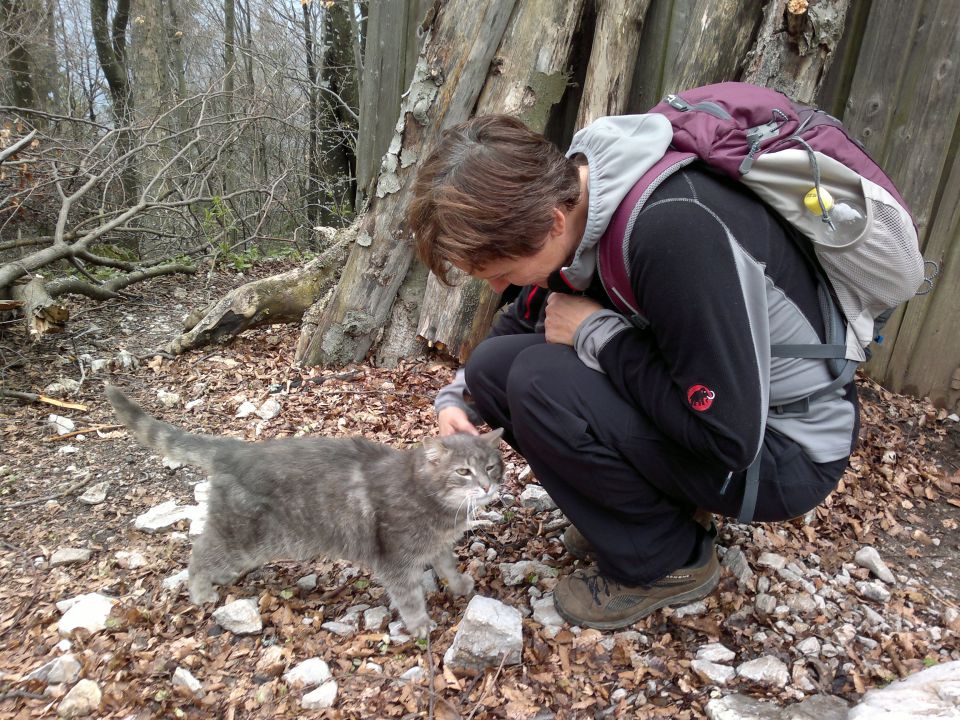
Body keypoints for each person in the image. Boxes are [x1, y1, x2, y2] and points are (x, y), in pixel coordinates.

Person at [406, 114, 858, 630]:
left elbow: (730, 439)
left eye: (502, 273)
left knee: (540, 381)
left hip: (785, 451)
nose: (495, 288)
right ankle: (650, 513)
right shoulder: (582, 202)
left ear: (552, 221)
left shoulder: (671, 231)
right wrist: (455, 399)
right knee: (492, 368)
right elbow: (520, 321)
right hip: (730, 423)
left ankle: (667, 560)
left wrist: (598, 333)